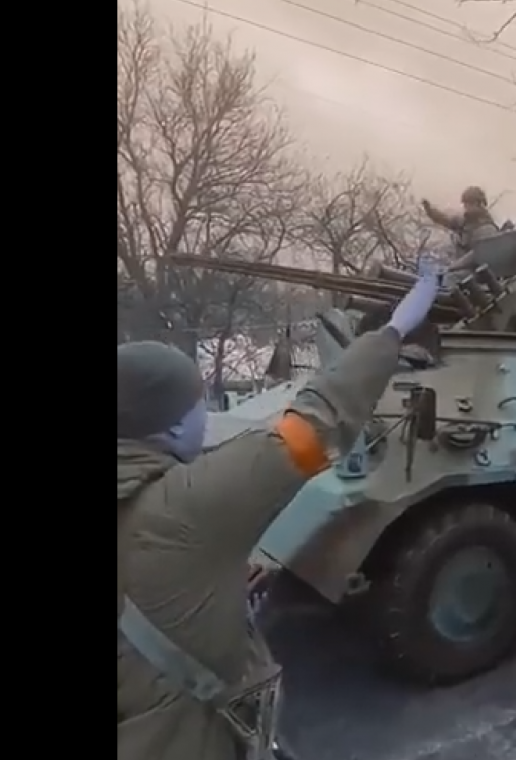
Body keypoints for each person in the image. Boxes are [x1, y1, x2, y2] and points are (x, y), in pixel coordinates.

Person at [117, 268, 441, 760]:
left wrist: (211, 605)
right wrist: (394, 329)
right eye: (198, 399)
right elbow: (314, 428)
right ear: (172, 421)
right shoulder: (183, 507)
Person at [421, 186, 500, 255]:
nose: (466, 207)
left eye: (470, 203)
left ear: (479, 204)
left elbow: (486, 255)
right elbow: (445, 220)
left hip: (476, 270)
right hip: (461, 267)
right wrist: (430, 211)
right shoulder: (464, 220)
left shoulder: (487, 229)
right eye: (465, 204)